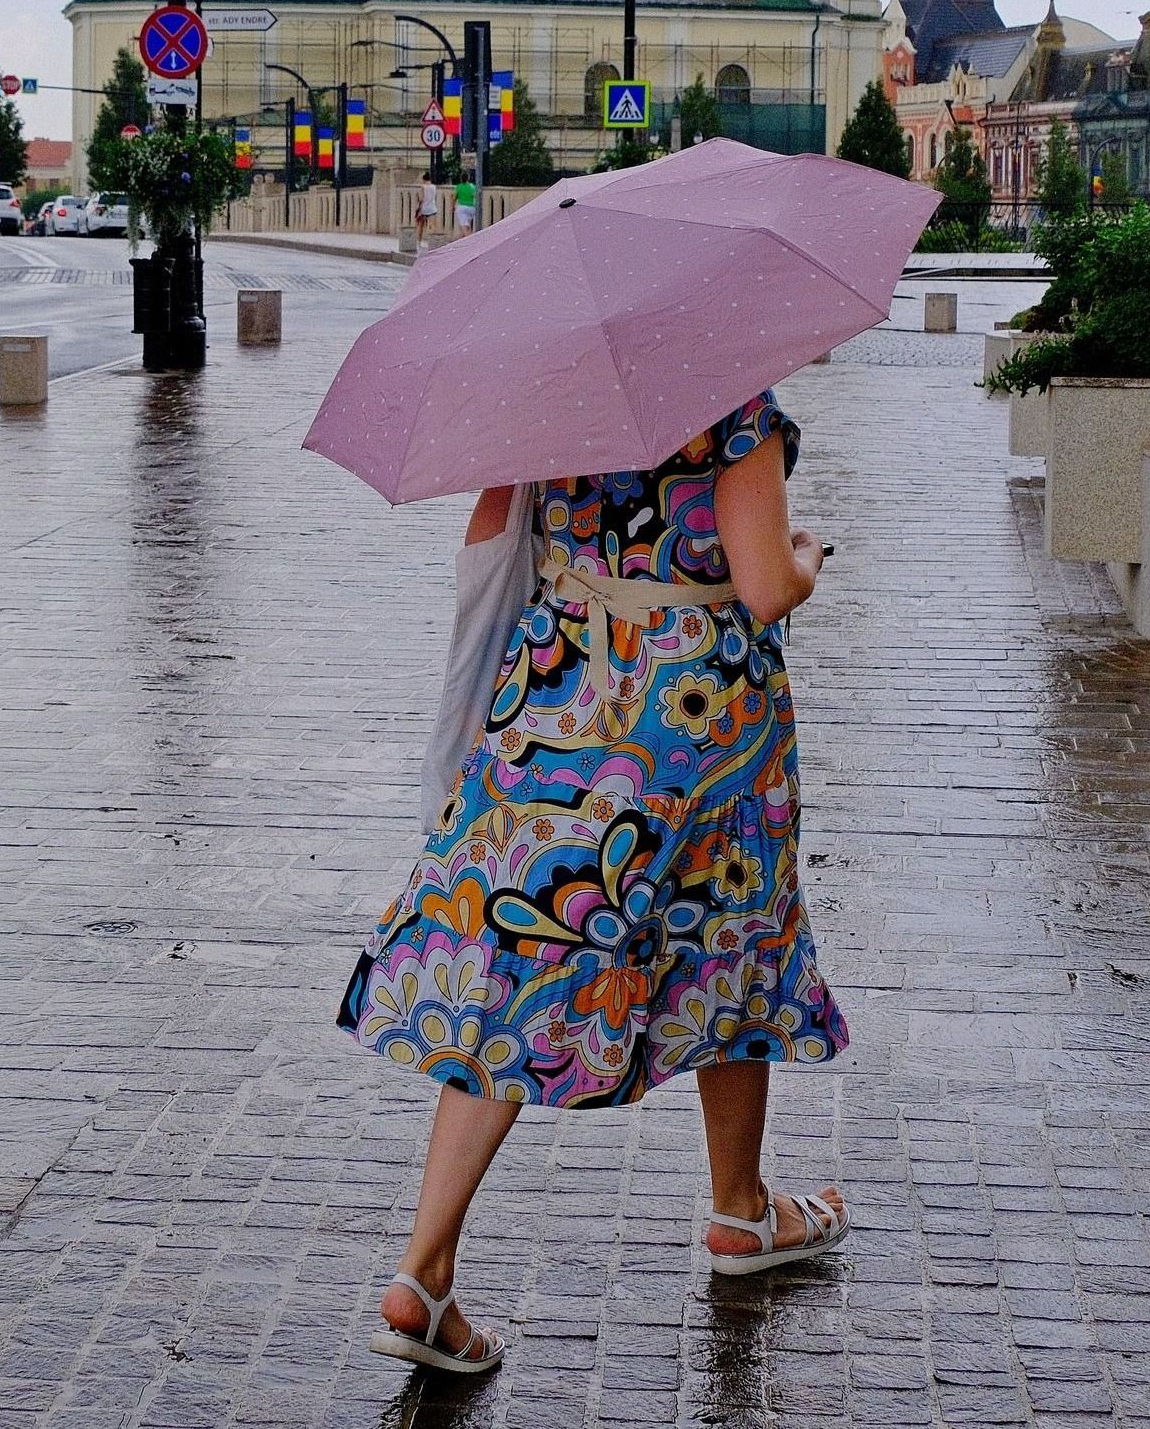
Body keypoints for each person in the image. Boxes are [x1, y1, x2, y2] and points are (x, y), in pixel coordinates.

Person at [339, 394, 847, 1374]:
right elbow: (764, 583)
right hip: (696, 708)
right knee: (728, 935)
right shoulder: (733, 407)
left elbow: (490, 529)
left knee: (518, 950)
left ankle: (427, 1267)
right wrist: (806, 554)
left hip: (556, 681)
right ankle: (735, 1211)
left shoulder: (552, 395)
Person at [416, 174, 439, 244]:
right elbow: (435, 197)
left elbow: (421, 199)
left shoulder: (423, 187)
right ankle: (433, 242)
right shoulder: (434, 187)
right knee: (432, 226)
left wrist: (419, 208)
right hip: (432, 208)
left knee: (421, 226)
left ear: (424, 179)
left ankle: (419, 241)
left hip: (424, 209)